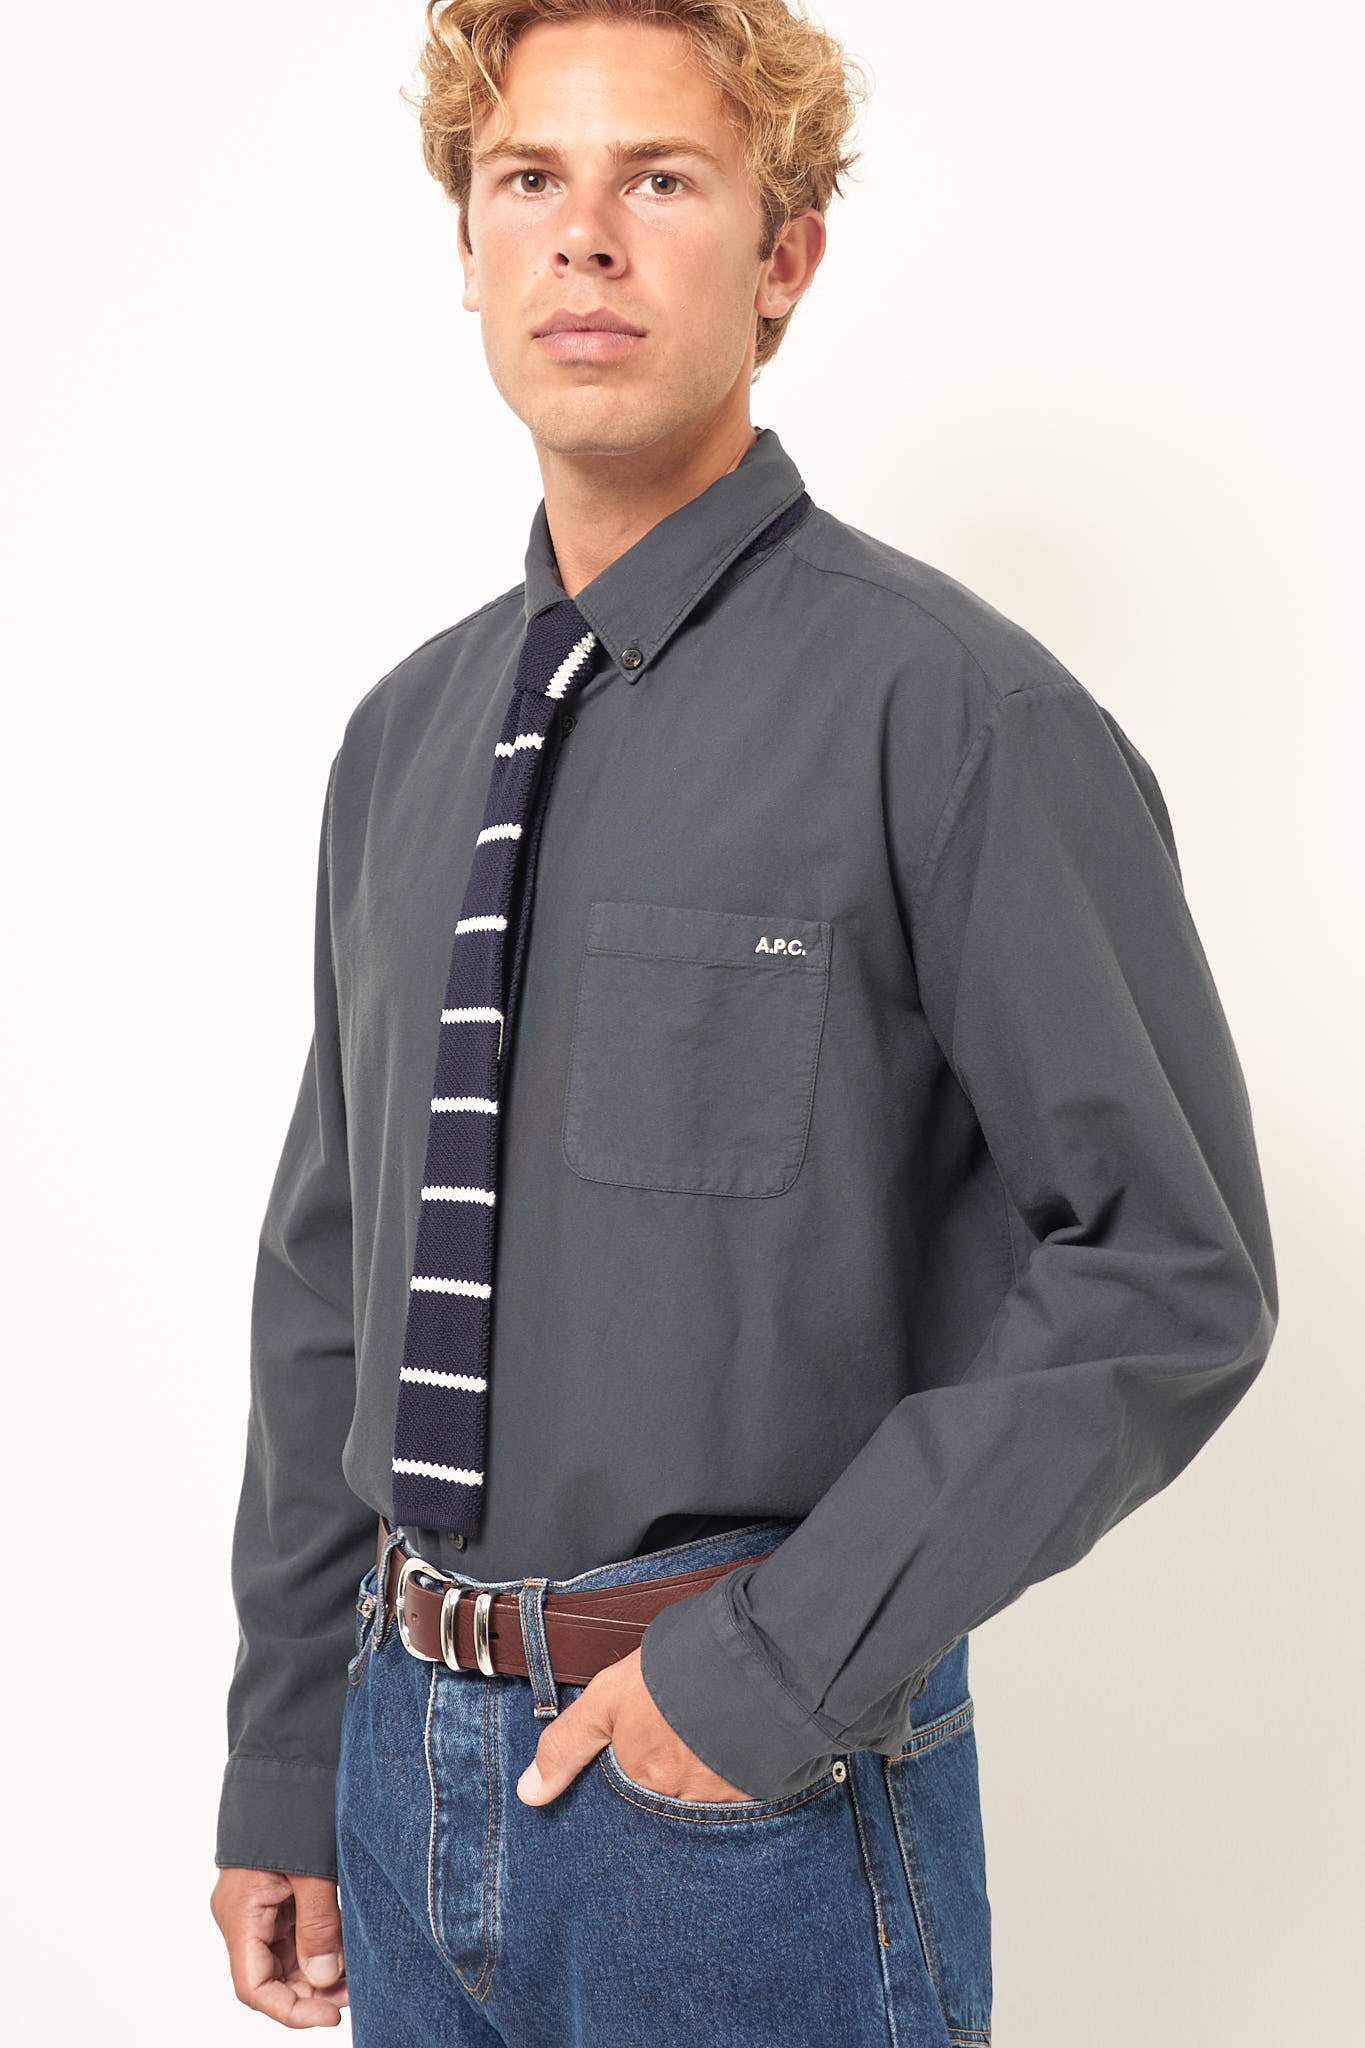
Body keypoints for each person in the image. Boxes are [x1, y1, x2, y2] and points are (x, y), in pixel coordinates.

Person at [209, 2, 1279, 2040]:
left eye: (661, 180)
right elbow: (332, 1272)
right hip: (394, 1768)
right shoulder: (404, 739)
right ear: (466, 246)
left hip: (738, 1810)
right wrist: (284, 1755)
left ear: (782, 258)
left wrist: (767, 1671)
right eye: (529, 178)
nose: (584, 236)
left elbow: (1167, 1266)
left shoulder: (950, 713)